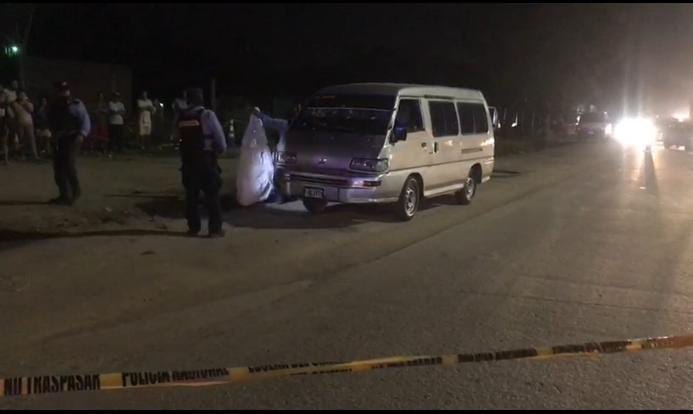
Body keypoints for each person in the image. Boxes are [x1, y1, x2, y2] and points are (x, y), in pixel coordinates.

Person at [177, 87, 227, 238]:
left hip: (188, 161)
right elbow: (222, 143)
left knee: (191, 196)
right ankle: (215, 230)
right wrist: (215, 153)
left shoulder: (181, 117)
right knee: (212, 195)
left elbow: (178, 137)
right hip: (205, 160)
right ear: (201, 100)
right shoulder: (207, 115)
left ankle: (193, 228)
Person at [47, 81, 91, 205]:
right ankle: (64, 195)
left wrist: (82, 134)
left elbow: (85, 120)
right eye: (59, 89)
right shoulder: (54, 105)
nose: (62, 92)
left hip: (73, 137)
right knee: (58, 167)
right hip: (60, 138)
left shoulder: (76, 104)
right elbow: (51, 121)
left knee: (68, 163)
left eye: (64, 89)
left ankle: (75, 190)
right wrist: (52, 134)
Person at [252, 107, 291, 203]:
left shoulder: (285, 124)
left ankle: (279, 196)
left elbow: (269, 122)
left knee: (277, 175)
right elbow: (270, 122)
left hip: (283, 155)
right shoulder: (290, 125)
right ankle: (284, 195)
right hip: (292, 156)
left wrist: (259, 114)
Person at [11, 91, 39, 160]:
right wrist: (21, 104)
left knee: (31, 139)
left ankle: (35, 155)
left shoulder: (28, 103)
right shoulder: (15, 103)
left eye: (23, 95)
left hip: (29, 123)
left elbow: (31, 110)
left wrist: (25, 103)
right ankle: (23, 155)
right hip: (20, 123)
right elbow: (16, 111)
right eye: (20, 95)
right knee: (22, 139)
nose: (22, 96)